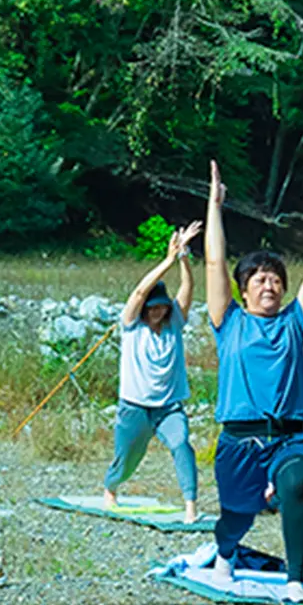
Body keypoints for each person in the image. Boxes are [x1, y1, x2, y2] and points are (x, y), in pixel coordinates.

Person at [203, 160, 303, 602]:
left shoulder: (295, 323)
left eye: (276, 280)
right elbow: (215, 260)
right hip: (238, 441)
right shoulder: (230, 322)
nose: (270, 286)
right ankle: (225, 556)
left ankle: (295, 580)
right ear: (244, 289)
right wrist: (215, 206)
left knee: (296, 485)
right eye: (260, 280)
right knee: (237, 517)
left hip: (288, 436)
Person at [98, 221, 204, 521]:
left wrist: (184, 258)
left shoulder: (174, 324)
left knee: (182, 444)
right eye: (152, 307)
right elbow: (141, 290)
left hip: (168, 408)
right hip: (134, 407)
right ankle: (111, 488)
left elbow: (187, 289)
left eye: (162, 307)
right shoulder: (131, 325)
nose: (157, 311)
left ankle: (190, 505)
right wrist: (167, 260)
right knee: (127, 459)